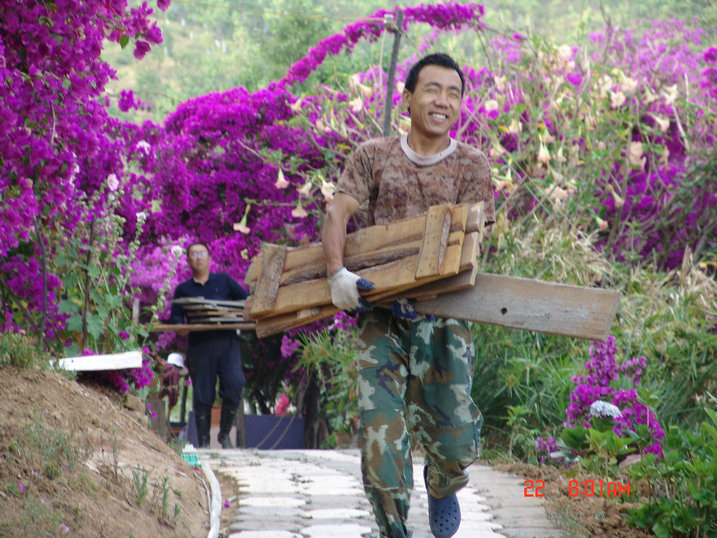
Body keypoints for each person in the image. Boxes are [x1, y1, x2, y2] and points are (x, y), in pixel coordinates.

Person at [321, 53, 495, 538]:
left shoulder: (472, 165)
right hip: (381, 316)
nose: (443, 101)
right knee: (380, 440)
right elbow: (337, 214)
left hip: (445, 319)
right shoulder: (373, 155)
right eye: (432, 89)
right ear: (408, 97)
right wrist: (337, 275)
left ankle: (443, 484)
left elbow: (478, 240)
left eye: (453, 93)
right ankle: (393, 528)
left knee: (454, 442)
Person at [170, 241, 248, 449]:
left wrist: (233, 315)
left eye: (202, 253)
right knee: (202, 394)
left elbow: (247, 302)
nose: (199, 258)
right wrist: (183, 328)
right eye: (194, 254)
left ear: (209, 259)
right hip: (200, 346)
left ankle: (224, 435)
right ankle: (204, 443)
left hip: (227, 343)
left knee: (235, 384)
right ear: (188, 261)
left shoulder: (224, 281)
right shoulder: (183, 290)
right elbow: (176, 321)